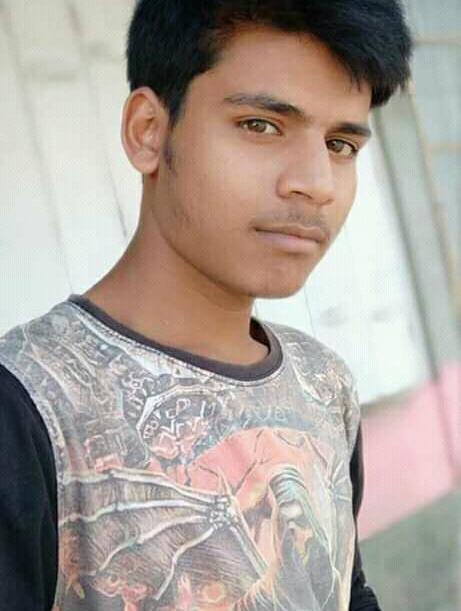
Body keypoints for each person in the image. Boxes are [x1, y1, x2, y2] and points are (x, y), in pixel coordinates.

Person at [0, 1, 413, 609]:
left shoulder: (323, 384)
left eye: (340, 144)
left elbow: (343, 589)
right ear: (149, 131)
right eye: (261, 125)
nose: (316, 183)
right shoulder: (28, 408)